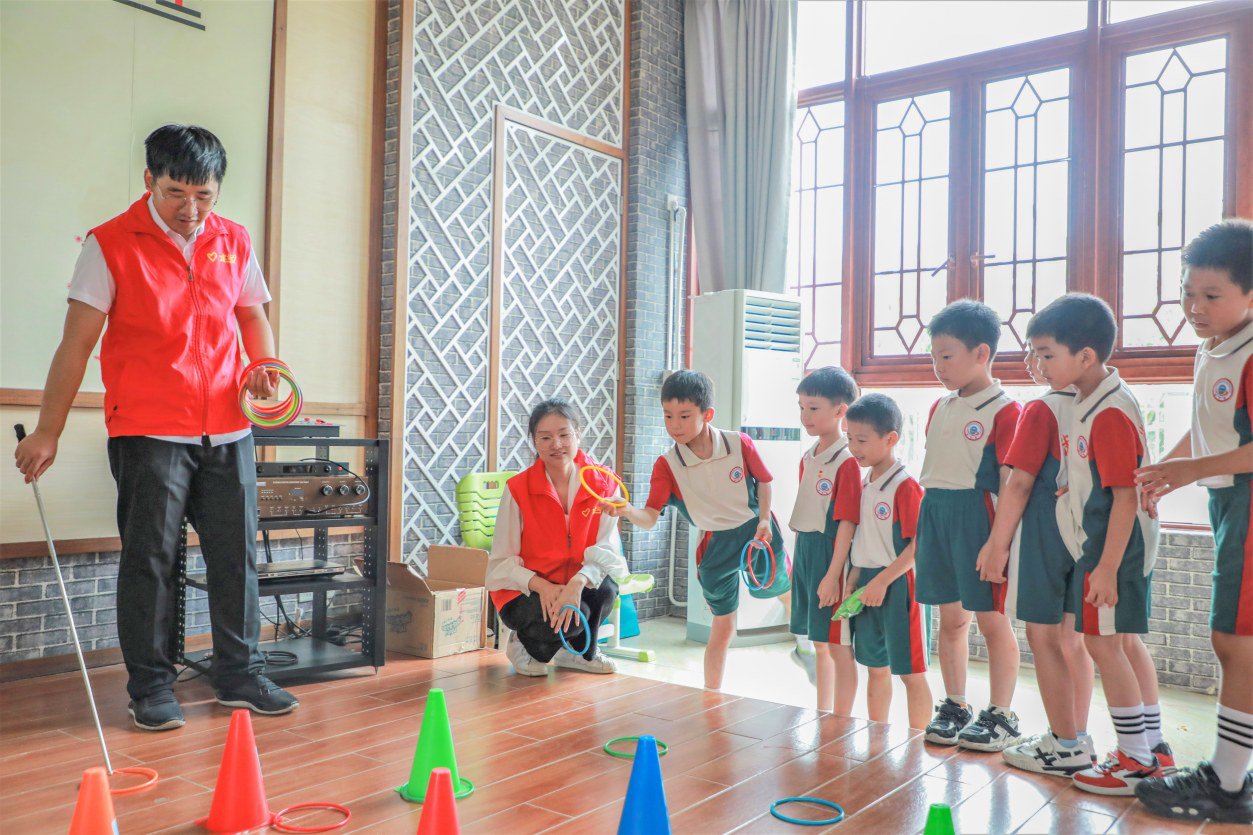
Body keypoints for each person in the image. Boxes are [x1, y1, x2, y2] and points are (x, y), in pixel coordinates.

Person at [13, 124, 297, 730]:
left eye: (204, 196)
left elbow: (252, 317)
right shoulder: (111, 243)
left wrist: (263, 367)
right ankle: (151, 688)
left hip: (228, 428)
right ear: (149, 180)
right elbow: (75, 345)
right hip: (148, 431)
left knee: (236, 558)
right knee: (151, 562)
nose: (191, 210)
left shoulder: (233, 240)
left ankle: (239, 675)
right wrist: (47, 430)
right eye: (176, 194)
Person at [1133, 219, 1253, 824]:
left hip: (1248, 501)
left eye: (1212, 295)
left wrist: (1188, 470)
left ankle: (1227, 784)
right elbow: (1212, 430)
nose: (1195, 308)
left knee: (1235, 639)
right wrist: (1168, 469)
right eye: (1188, 293)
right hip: (1229, 501)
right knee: (1235, 638)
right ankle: (1230, 774)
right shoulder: (1217, 347)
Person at [1026, 293, 1169, 796]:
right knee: (1123, 642)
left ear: (1085, 356)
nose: (1040, 365)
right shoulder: (1092, 399)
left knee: (1102, 643)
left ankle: (1133, 760)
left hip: (1113, 546)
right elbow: (1106, 475)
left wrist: (1106, 568)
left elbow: (1125, 497)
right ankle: (1153, 748)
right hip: (1113, 539)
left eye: (1047, 354)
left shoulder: (1107, 410)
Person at [604, 370, 788, 690]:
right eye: (668, 415)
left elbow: (765, 481)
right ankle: (711, 695)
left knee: (782, 590)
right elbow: (649, 517)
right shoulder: (667, 465)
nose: (674, 425)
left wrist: (763, 519)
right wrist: (626, 510)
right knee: (723, 625)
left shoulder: (738, 443)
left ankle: (808, 644)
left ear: (707, 414)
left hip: (757, 530)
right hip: (715, 543)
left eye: (685, 416)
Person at [977, 349, 1098, 776]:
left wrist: (998, 544)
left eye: (1042, 352)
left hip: (1046, 533)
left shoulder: (1041, 409)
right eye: (1031, 351)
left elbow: (1019, 484)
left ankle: (1063, 743)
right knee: (1073, 640)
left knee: (1043, 635)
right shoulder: (1098, 403)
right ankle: (1077, 738)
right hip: (1087, 534)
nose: (1032, 361)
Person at [915, 300, 1024, 751]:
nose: (938, 366)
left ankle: (1001, 714)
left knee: (992, 621)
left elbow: (1010, 483)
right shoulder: (939, 406)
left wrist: (998, 542)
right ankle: (955, 705)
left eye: (947, 356)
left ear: (981, 353)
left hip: (977, 516)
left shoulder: (1006, 410)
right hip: (936, 512)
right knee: (951, 620)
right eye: (934, 357)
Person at [485, 398, 626, 676]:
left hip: (574, 582)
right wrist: (543, 586)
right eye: (545, 437)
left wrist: (577, 582)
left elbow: (607, 548)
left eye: (564, 435)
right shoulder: (518, 489)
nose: (556, 444)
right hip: (527, 590)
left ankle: (579, 654)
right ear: (534, 441)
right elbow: (501, 562)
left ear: (578, 434)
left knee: (606, 589)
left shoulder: (604, 484)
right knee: (573, 619)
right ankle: (522, 645)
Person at [843, 393, 933, 729]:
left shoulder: (905, 486)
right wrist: (854, 579)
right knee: (875, 668)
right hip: (866, 583)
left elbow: (917, 546)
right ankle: (876, 737)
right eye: (850, 439)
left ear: (890, 439)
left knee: (911, 673)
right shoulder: (864, 483)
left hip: (898, 584)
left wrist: (882, 582)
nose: (854, 447)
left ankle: (918, 741)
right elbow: (863, 539)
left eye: (862, 440)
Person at [789, 367, 862, 714]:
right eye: (802, 407)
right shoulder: (808, 456)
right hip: (806, 550)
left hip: (831, 554)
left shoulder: (847, 461)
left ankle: (841, 718)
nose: (805, 415)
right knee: (819, 641)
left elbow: (847, 523)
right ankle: (823, 713)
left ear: (840, 410)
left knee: (838, 645)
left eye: (813, 408)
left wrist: (834, 575)